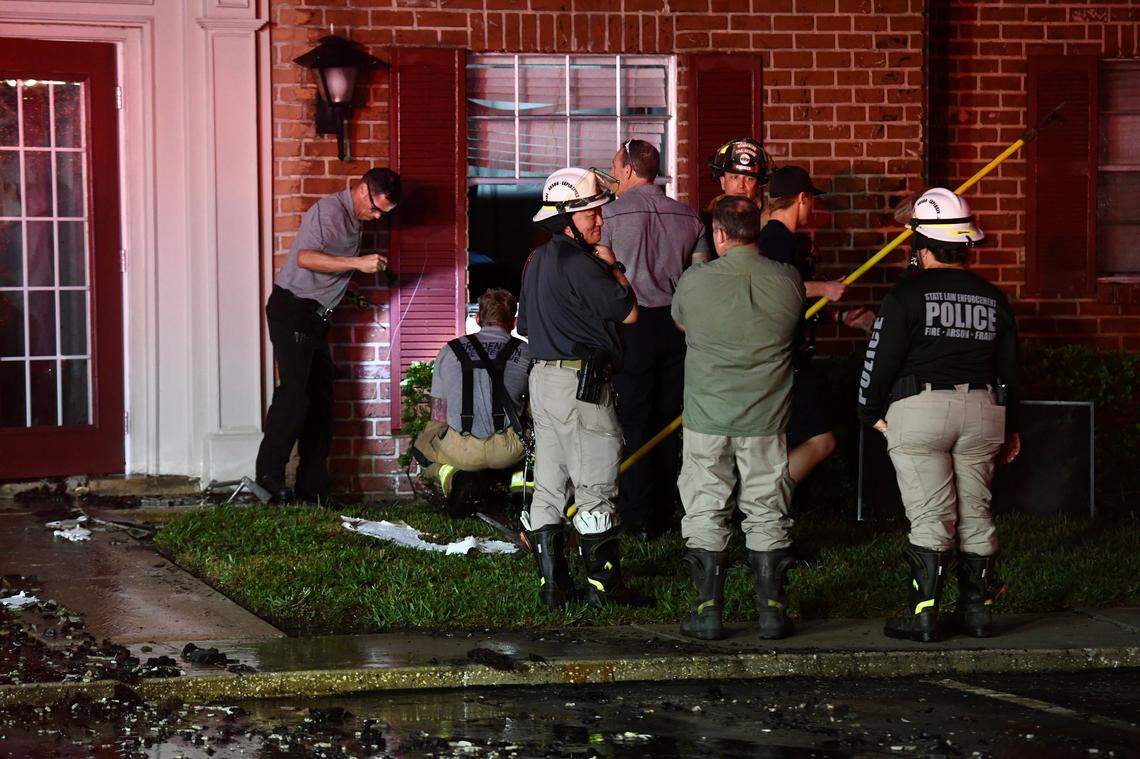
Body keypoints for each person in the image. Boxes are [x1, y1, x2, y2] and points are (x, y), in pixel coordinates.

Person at [856, 187, 1020, 643]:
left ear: (920, 246)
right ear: (966, 245)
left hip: (921, 410)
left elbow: (880, 359)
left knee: (931, 515)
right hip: (985, 412)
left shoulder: (905, 296)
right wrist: (1010, 425)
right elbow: (1010, 370)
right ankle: (978, 613)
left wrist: (870, 410)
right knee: (976, 512)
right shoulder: (994, 298)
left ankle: (924, 614)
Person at [671, 196, 805, 640]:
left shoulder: (694, 282)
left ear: (719, 233)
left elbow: (682, 324)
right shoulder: (788, 281)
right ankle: (771, 613)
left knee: (706, 507)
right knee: (767, 509)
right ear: (758, 229)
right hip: (766, 416)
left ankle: (707, 613)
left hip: (708, 416)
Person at [517, 167, 639, 608]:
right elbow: (628, 313)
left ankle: (553, 588)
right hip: (581, 386)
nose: (600, 222)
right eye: (592, 214)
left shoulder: (536, 261)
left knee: (549, 484)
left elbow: (526, 326)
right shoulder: (584, 263)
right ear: (567, 219)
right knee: (596, 482)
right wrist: (616, 268)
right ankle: (604, 590)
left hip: (543, 382)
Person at [255, 168, 400, 505]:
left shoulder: (354, 220)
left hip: (316, 318)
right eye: (376, 209)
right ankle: (268, 478)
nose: (377, 217)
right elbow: (306, 258)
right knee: (295, 394)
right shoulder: (329, 211)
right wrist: (358, 264)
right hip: (293, 309)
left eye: (384, 213)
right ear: (363, 190)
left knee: (321, 401)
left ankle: (313, 489)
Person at [594, 139, 704, 540]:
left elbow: (599, 279)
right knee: (671, 418)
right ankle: (668, 510)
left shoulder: (607, 216)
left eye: (613, 167)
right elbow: (702, 275)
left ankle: (639, 516)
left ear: (626, 170)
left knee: (634, 419)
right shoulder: (689, 217)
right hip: (677, 326)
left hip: (631, 324)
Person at [761, 165, 848, 486]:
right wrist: (824, 289)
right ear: (802, 198)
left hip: (786, 358)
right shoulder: (776, 239)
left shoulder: (779, 240)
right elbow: (777, 286)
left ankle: (765, 499)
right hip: (785, 360)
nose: (813, 208)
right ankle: (764, 497)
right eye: (812, 200)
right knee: (822, 439)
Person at [411, 289, 532, 517]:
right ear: (513, 322)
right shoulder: (525, 352)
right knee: (538, 430)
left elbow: (438, 415)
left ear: (478, 319)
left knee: (422, 448)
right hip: (509, 450)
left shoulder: (450, 350)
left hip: (462, 451)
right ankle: (523, 485)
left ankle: (457, 479)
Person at [692, 137, 773, 263]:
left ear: (758, 185)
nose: (741, 185)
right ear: (723, 182)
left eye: (749, 179)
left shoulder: (770, 223)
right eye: (734, 177)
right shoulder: (704, 221)